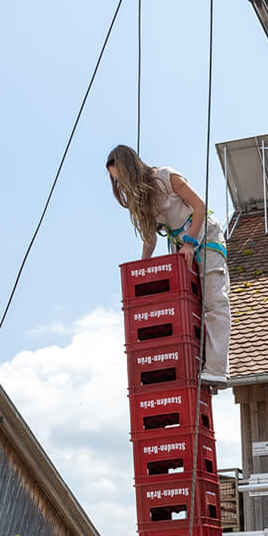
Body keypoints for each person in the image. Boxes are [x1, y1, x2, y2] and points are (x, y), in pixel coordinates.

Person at [107, 144, 231, 387]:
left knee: (214, 300)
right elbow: (150, 238)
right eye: (116, 181)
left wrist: (191, 242)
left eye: (120, 177)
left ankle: (216, 369)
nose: (121, 185)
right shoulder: (142, 198)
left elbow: (200, 207)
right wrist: (142, 271)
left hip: (204, 236)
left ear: (129, 169)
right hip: (181, 246)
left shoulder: (167, 177)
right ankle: (196, 364)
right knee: (187, 307)